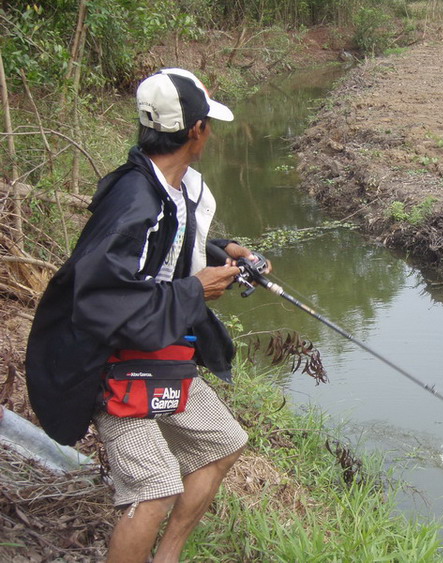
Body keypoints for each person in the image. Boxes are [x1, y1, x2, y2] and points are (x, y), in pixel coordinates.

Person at [25, 68, 261, 562]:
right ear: (196, 131)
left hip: (158, 349)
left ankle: (166, 556)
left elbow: (158, 256)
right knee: (154, 489)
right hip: (109, 361)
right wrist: (193, 290)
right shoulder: (132, 199)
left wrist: (221, 253)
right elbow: (100, 301)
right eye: (208, 124)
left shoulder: (170, 189)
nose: (210, 133)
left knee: (222, 443)